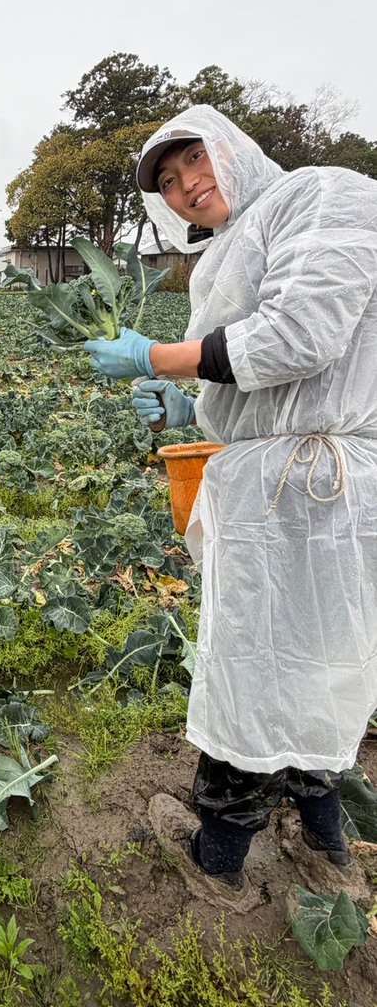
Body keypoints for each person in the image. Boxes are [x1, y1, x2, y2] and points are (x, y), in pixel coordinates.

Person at [83, 105, 377, 908]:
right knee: (310, 667)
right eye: (169, 185)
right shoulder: (228, 251)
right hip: (280, 481)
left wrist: (156, 357)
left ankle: (217, 859)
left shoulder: (321, 193)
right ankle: (329, 850)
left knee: (256, 668)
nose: (186, 189)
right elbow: (251, 384)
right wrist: (191, 413)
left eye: (193, 165)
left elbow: (298, 337)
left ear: (233, 149)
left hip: (314, 489)